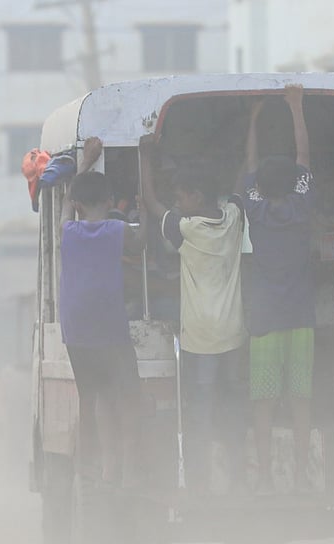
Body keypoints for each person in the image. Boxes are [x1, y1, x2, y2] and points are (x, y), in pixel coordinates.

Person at [139, 134, 248, 494]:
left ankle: (200, 476)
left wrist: (143, 156)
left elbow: (152, 203)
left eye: (182, 195)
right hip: (232, 333)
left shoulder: (187, 228)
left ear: (196, 197)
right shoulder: (233, 219)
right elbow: (241, 183)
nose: (178, 201)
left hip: (200, 336)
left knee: (200, 404)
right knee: (232, 400)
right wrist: (252, 124)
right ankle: (235, 468)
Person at [240, 84, 317, 493]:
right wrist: (296, 107)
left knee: (263, 403)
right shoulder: (302, 206)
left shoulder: (255, 209)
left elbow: (249, 164)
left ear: (260, 187)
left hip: (264, 321)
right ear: (295, 182)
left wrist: (253, 119)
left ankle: (267, 476)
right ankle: (303, 473)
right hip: (301, 317)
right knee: (301, 400)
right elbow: (303, 155)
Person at [58, 136, 143, 491]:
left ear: (78, 206)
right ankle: (125, 467)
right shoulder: (118, 229)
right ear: (110, 202)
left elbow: (65, 201)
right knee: (127, 398)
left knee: (92, 398)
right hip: (109, 328)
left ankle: (92, 467)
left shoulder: (68, 231)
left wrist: (85, 162)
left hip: (76, 330)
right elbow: (141, 247)